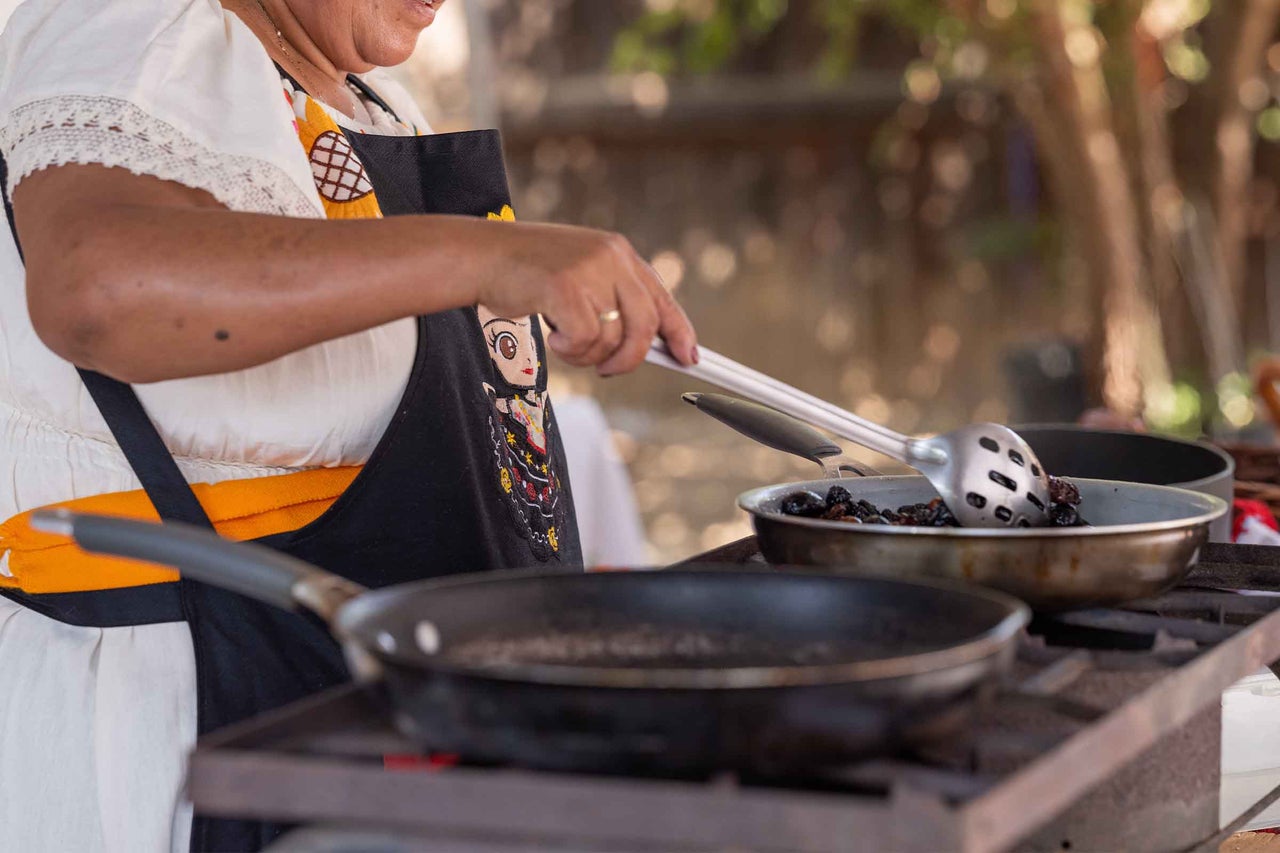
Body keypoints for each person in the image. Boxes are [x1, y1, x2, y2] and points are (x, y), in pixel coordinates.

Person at [0, 1, 698, 851]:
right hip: (200, 720)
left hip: (376, 709)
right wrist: (488, 257)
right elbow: (97, 289)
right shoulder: (130, 24)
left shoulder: (376, 104)